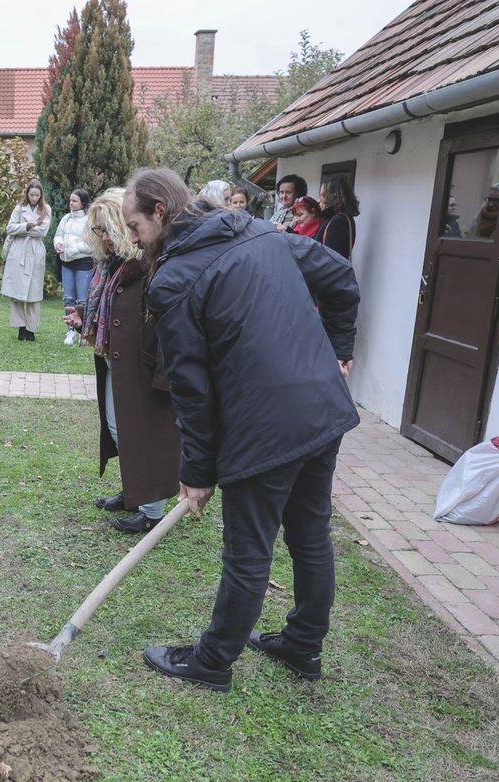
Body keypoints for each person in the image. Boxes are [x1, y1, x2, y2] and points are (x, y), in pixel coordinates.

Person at [122, 168, 359, 694]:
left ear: (160, 210)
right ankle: (303, 645)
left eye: (135, 226)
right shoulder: (255, 230)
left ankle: (212, 661)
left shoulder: (175, 280)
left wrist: (198, 471)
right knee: (310, 531)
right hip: (321, 408)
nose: (133, 239)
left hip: (266, 430)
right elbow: (342, 280)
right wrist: (338, 352)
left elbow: (192, 390)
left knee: (250, 551)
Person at [63, 188, 179, 534]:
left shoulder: (148, 265)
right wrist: (86, 318)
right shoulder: (111, 264)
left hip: (141, 367)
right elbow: (114, 312)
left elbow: (162, 322)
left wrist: (160, 373)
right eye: (97, 231)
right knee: (119, 430)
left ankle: (152, 510)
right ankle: (134, 491)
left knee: (144, 435)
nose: (103, 238)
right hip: (117, 361)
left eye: (106, 229)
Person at [1, 180, 51, 341]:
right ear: (27, 194)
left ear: (41, 195)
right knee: (17, 292)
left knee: (34, 293)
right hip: (18, 251)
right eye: (31, 195)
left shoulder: (46, 209)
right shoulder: (19, 208)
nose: (34, 198)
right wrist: (27, 227)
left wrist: (22, 229)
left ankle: (31, 329)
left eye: (37, 195)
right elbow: (10, 228)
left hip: (35, 253)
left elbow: (42, 232)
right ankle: (21, 327)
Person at [54, 188, 93, 345]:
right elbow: (58, 235)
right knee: (68, 298)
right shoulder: (66, 218)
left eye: (75, 200)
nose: (71, 203)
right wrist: (59, 244)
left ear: (82, 203)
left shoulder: (89, 220)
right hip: (66, 263)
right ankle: (70, 332)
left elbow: (90, 243)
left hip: (83, 263)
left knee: (82, 299)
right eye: (70, 200)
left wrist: (71, 249)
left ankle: (84, 332)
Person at [315, 177, 359, 260]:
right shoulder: (333, 218)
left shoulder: (338, 222)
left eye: (322, 196)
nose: (318, 200)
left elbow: (329, 258)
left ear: (333, 197)